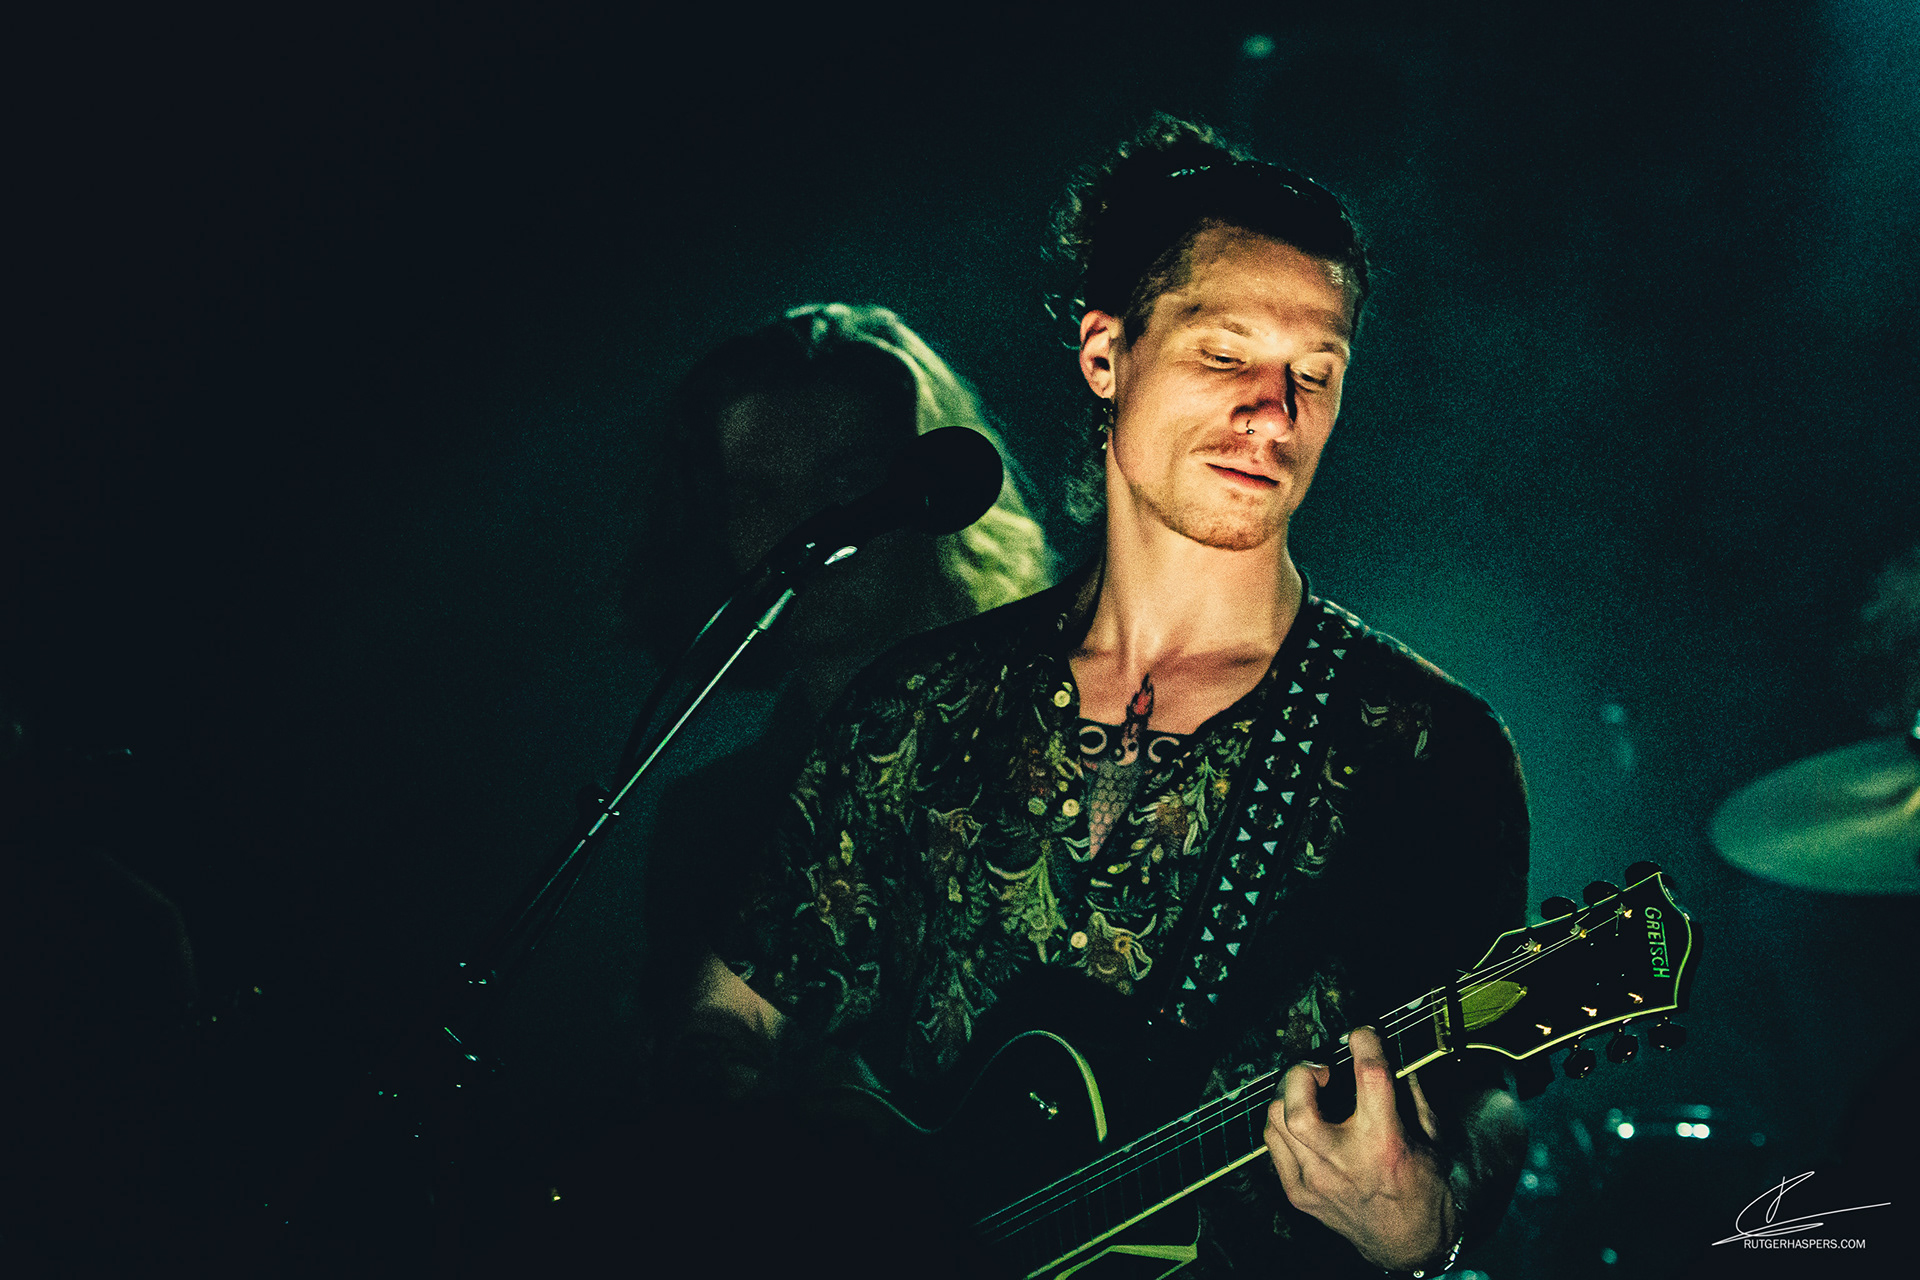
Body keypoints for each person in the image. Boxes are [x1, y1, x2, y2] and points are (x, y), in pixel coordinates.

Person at [686, 118, 1531, 1277]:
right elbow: (729, 1012)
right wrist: (772, 1185)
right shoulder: (915, 708)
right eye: (1225, 356)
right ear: (1106, 355)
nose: (1274, 411)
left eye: (1315, 372)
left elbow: (1485, 1089)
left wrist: (1426, 1216)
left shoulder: (1427, 748)